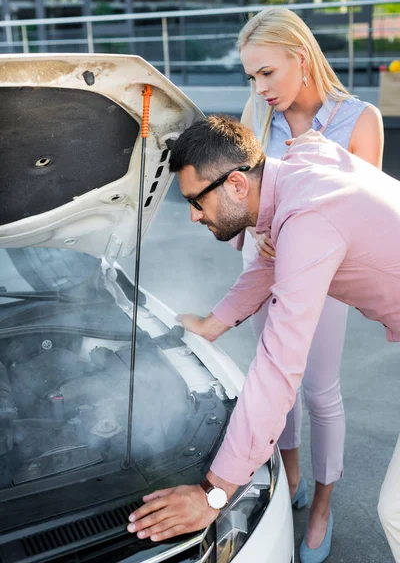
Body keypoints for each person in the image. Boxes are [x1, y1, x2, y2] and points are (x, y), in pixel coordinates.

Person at [126, 116, 400, 563]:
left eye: (196, 201)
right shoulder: (298, 164)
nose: (194, 216)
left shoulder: (308, 219)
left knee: (396, 511)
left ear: (236, 183)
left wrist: (214, 493)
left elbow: (278, 370)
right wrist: (214, 323)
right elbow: (272, 256)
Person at [235, 7, 383, 561]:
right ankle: (291, 472)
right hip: (265, 269)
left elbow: (367, 218)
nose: (260, 86)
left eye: (267, 72)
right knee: (276, 383)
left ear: (300, 59)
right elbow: (245, 201)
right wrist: (260, 229)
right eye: (251, 75)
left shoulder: (359, 119)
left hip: (326, 280)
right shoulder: (257, 118)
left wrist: (296, 233)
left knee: (320, 391)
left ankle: (322, 505)